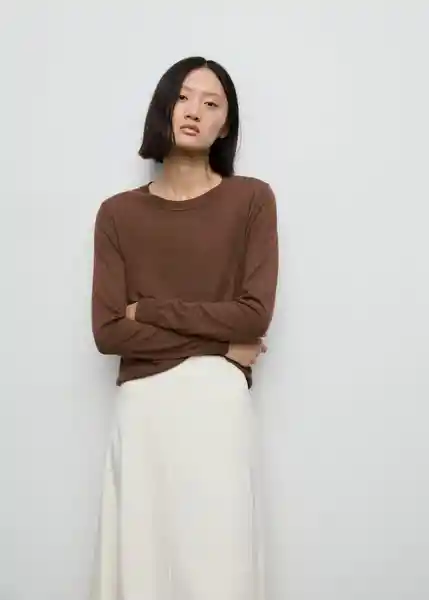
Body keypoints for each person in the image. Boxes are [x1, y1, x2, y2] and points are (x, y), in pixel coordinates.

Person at [90, 56, 278, 600]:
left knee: (220, 566)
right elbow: (108, 332)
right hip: (144, 408)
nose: (194, 111)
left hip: (218, 407)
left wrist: (148, 310)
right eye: (183, 97)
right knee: (142, 565)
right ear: (163, 107)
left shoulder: (251, 200)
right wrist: (223, 343)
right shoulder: (117, 214)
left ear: (226, 124)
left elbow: (254, 315)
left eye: (211, 102)